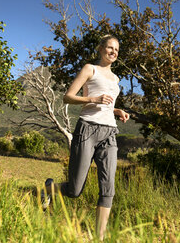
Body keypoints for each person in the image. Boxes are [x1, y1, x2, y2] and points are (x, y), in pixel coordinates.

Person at [42, 35, 129, 240]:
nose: (113, 52)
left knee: (108, 186)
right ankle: (49, 188)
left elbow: (106, 104)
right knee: (74, 190)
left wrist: (117, 111)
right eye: (109, 48)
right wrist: (92, 98)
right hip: (87, 129)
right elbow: (68, 96)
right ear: (100, 49)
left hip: (109, 132)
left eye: (116, 49)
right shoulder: (90, 68)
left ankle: (99, 237)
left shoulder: (116, 79)